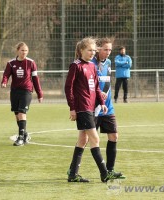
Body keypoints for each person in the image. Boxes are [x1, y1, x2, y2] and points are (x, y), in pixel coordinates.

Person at [65, 37, 121, 183]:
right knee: (94, 139)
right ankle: (104, 173)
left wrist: (102, 102)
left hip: (91, 107)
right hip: (82, 108)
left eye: (93, 50)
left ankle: (73, 174)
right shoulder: (75, 66)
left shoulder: (92, 66)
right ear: (81, 50)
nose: (92, 53)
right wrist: (72, 108)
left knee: (82, 139)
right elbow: (68, 88)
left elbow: (96, 87)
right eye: (89, 50)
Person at [92, 37, 125, 179]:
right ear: (98, 49)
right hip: (94, 107)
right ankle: (73, 170)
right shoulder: (90, 64)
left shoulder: (109, 62)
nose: (108, 52)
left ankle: (110, 170)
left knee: (114, 136)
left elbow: (106, 82)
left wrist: (105, 96)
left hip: (108, 107)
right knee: (86, 140)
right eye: (105, 49)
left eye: (110, 49)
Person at [1, 42, 43, 146]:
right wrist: (4, 82)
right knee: (17, 115)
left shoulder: (31, 63)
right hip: (15, 91)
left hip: (26, 91)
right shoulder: (11, 63)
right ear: (17, 51)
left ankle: (20, 138)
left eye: (26, 50)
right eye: (22, 50)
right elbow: (6, 75)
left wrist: (39, 93)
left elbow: (35, 79)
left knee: (21, 112)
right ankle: (24, 134)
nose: (24, 52)